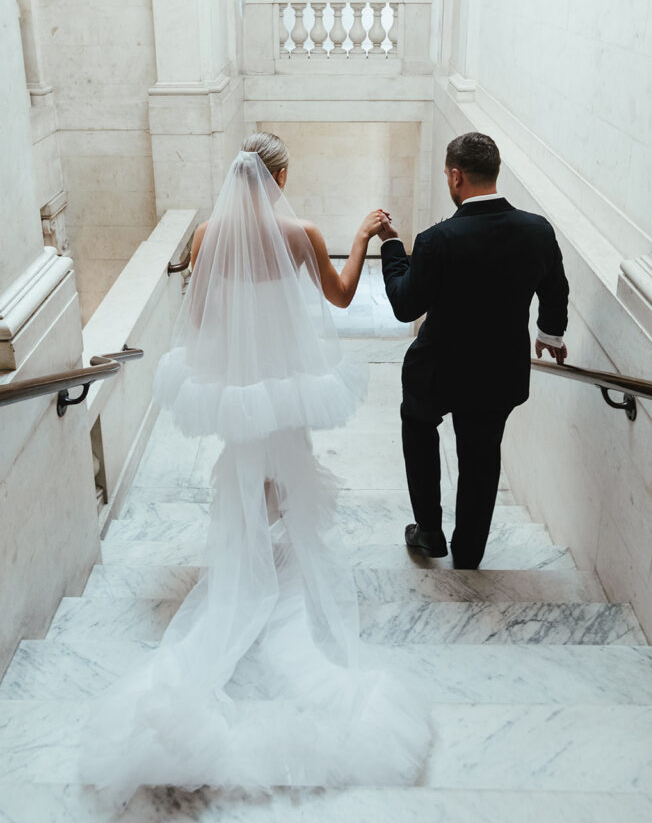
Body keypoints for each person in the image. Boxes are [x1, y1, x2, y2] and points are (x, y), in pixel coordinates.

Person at [79, 132, 431, 804]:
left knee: (243, 473)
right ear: (281, 175)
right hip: (289, 382)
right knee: (289, 471)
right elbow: (339, 295)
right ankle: (282, 560)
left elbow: (203, 315)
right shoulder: (301, 232)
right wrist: (358, 236)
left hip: (240, 383)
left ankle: (249, 561)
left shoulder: (210, 234)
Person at [379, 131, 569, 569]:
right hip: (498, 372)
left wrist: (392, 247)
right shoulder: (537, 230)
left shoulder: (436, 239)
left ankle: (428, 531)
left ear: (456, 175)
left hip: (437, 370)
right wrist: (550, 333)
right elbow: (555, 287)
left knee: (419, 429)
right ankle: (469, 554)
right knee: (482, 458)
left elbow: (406, 303)